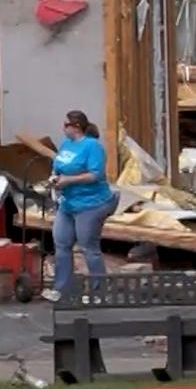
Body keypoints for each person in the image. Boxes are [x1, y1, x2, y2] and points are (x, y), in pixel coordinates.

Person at [49, 110, 117, 299]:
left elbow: (96, 175)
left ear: (76, 127)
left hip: (90, 203)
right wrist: (54, 177)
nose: (63, 128)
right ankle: (62, 289)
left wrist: (68, 180)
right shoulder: (65, 144)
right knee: (61, 243)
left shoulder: (92, 147)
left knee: (88, 246)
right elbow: (58, 165)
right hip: (68, 203)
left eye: (66, 124)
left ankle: (99, 290)